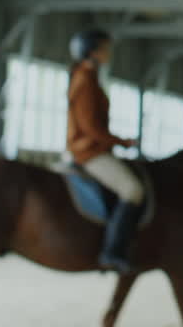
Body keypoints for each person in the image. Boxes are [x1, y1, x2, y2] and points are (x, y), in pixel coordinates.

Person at [66, 27, 143, 274]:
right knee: (133, 190)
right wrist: (123, 142)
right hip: (89, 152)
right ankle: (112, 251)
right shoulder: (85, 81)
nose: (109, 53)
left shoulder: (89, 77)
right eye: (105, 48)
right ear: (92, 52)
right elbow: (91, 128)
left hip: (95, 149)